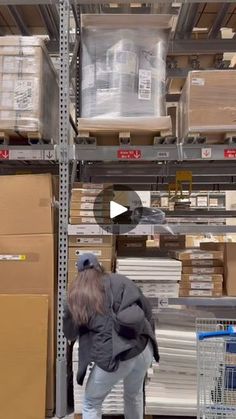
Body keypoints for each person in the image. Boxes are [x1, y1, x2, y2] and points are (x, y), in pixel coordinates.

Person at [63, 253, 159, 419]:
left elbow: (70, 334)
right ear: (99, 267)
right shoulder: (121, 280)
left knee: (91, 402)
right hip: (143, 347)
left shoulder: (75, 296)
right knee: (133, 394)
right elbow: (147, 311)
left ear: (78, 272)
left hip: (116, 353)